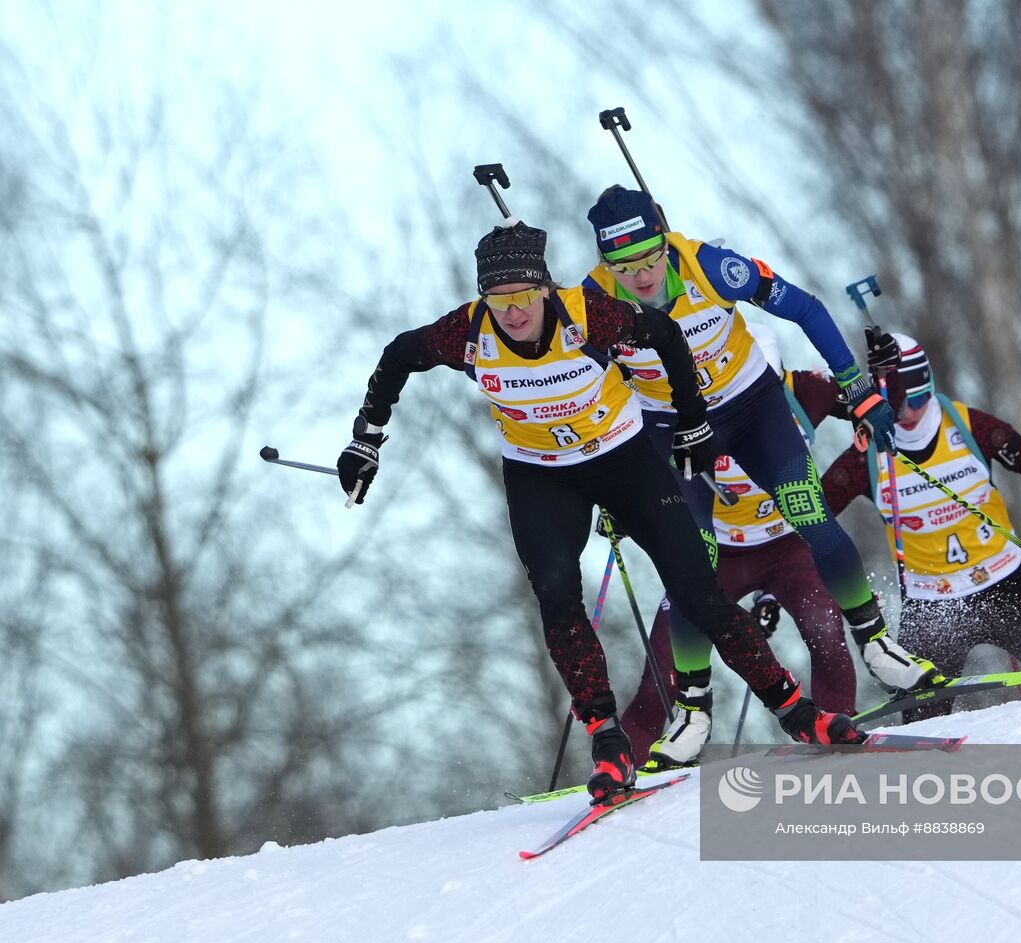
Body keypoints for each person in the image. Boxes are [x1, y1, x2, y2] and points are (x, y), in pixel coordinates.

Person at [335, 220, 863, 805]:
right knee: (558, 594)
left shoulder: (587, 314)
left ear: (544, 290)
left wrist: (690, 421)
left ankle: (796, 712)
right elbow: (397, 356)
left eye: (522, 297)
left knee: (698, 592)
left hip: (623, 461)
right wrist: (367, 438)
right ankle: (608, 742)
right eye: (498, 299)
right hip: (540, 476)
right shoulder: (467, 331)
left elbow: (665, 334)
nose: (512, 313)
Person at [583, 188, 940, 767]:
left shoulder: (710, 266)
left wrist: (856, 385)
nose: (641, 276)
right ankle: (694, 711)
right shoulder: (593, 304)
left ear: (664, 241)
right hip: (675, 431)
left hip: (752, 409)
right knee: (687, 562)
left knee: (812, 517)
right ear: (605, 264)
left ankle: (876, 645)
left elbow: (806, 308)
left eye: (650, 258)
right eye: (624, 267)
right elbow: (587, 391)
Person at [821, 330, 1021, 719]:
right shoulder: (866, 454)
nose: (905, 407)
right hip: (932, 607)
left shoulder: (969, 427)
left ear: (927, 384)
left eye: (913, 392)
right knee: (921, 728)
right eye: (896, 396)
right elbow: (814, 513)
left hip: (1007, 587)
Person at [619, 324, 860, 759]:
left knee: (824, 625)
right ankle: (626, 763)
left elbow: (869, 396)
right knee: (666, 661)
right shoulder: (686, 411)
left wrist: (880, 389)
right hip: (719, 555)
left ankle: (836, 727)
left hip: (787, 548)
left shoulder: (804, 391)